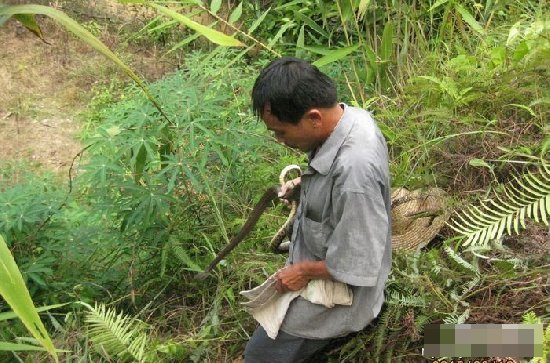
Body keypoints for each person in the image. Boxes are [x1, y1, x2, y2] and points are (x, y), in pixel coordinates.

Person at [244, 57, 392, 362]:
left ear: (313, 117)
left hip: (346, 297)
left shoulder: (355, 172)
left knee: (259, 356)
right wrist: (308, 184)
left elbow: (359, 263)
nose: (279, 140)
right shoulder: (350, 118)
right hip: (323, 261)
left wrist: (302, 271)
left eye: (282, 132)